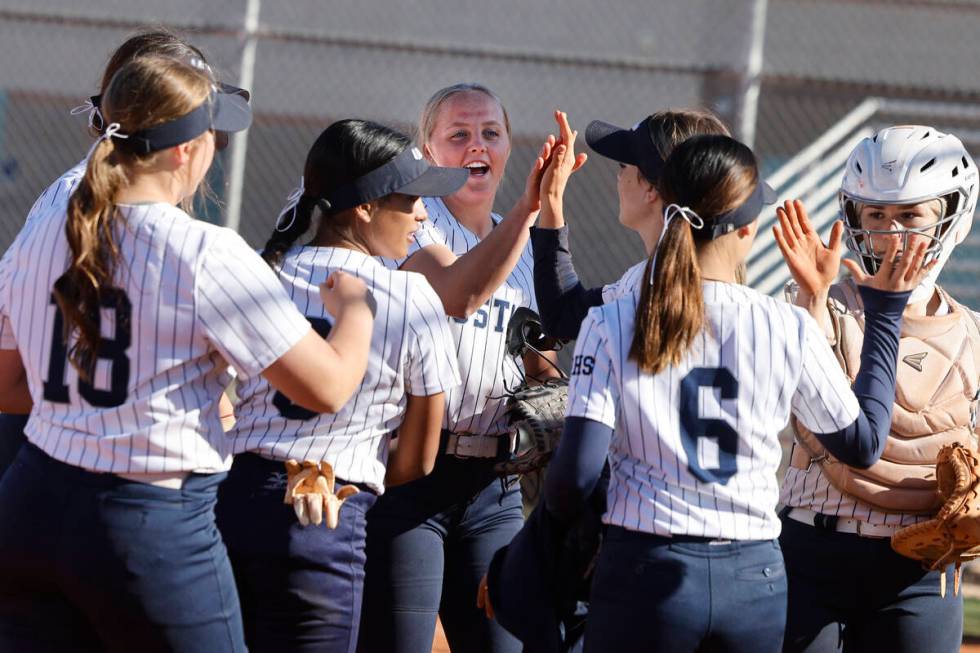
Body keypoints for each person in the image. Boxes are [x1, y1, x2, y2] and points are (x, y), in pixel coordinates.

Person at [501, 132, 932, 653]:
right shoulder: (786, 325)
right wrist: (884, 315)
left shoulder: (615, 314)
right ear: (748, 228)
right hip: (754, 579)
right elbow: (863, 445)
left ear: (666, 210)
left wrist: (543, 550)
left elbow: (573, 480)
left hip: (646, 567)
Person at [0, 55, 374, 652]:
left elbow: (7, 381)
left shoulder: (52, 216)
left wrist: (91, 413)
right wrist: (356, 308)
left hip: (30, 502)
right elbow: (326, 388)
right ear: (186, 150)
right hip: (146, 521)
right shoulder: (204, 249)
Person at [215, 118, 465, 653]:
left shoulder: (266, 273)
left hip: (233, 505)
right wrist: (352, 469)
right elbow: (419, 459)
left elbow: (207, 386)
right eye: (410, 199)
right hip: (328, 512)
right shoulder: (411, 295)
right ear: (365, 207)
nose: (422, 215)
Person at [358, 83, 566, 653]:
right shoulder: (412, 226)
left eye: (490, 133)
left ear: (507, 147)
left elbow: (538, 355)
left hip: (493, 486)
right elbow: (460, 295)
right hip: (412, 477)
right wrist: (531, 209)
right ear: (427, 152)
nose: (477, 145)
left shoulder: (526, 243)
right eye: (459, 135)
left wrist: (553, 396)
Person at [0, 28, 243, 481]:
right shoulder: (96, 210)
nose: (213, 142)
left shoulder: (95, 199)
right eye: (205, 125)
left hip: (62, 458)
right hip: (70, 461)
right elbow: (19, 381)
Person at [776, 125, 980, 653]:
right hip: (812, 552)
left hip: (920, 568)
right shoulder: (821, 302)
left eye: (911, 215)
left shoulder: (973, 334)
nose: (893, 233)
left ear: (953, 215)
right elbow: (808, 396)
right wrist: (812, 297)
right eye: (877, 216)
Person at [531, 108, 729, 339]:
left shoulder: (652, 287)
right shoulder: (645, 278)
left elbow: (562, 318)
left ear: (651, 189)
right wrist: (552, 198)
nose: (618, 177)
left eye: (623, 166)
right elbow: (564, 316)